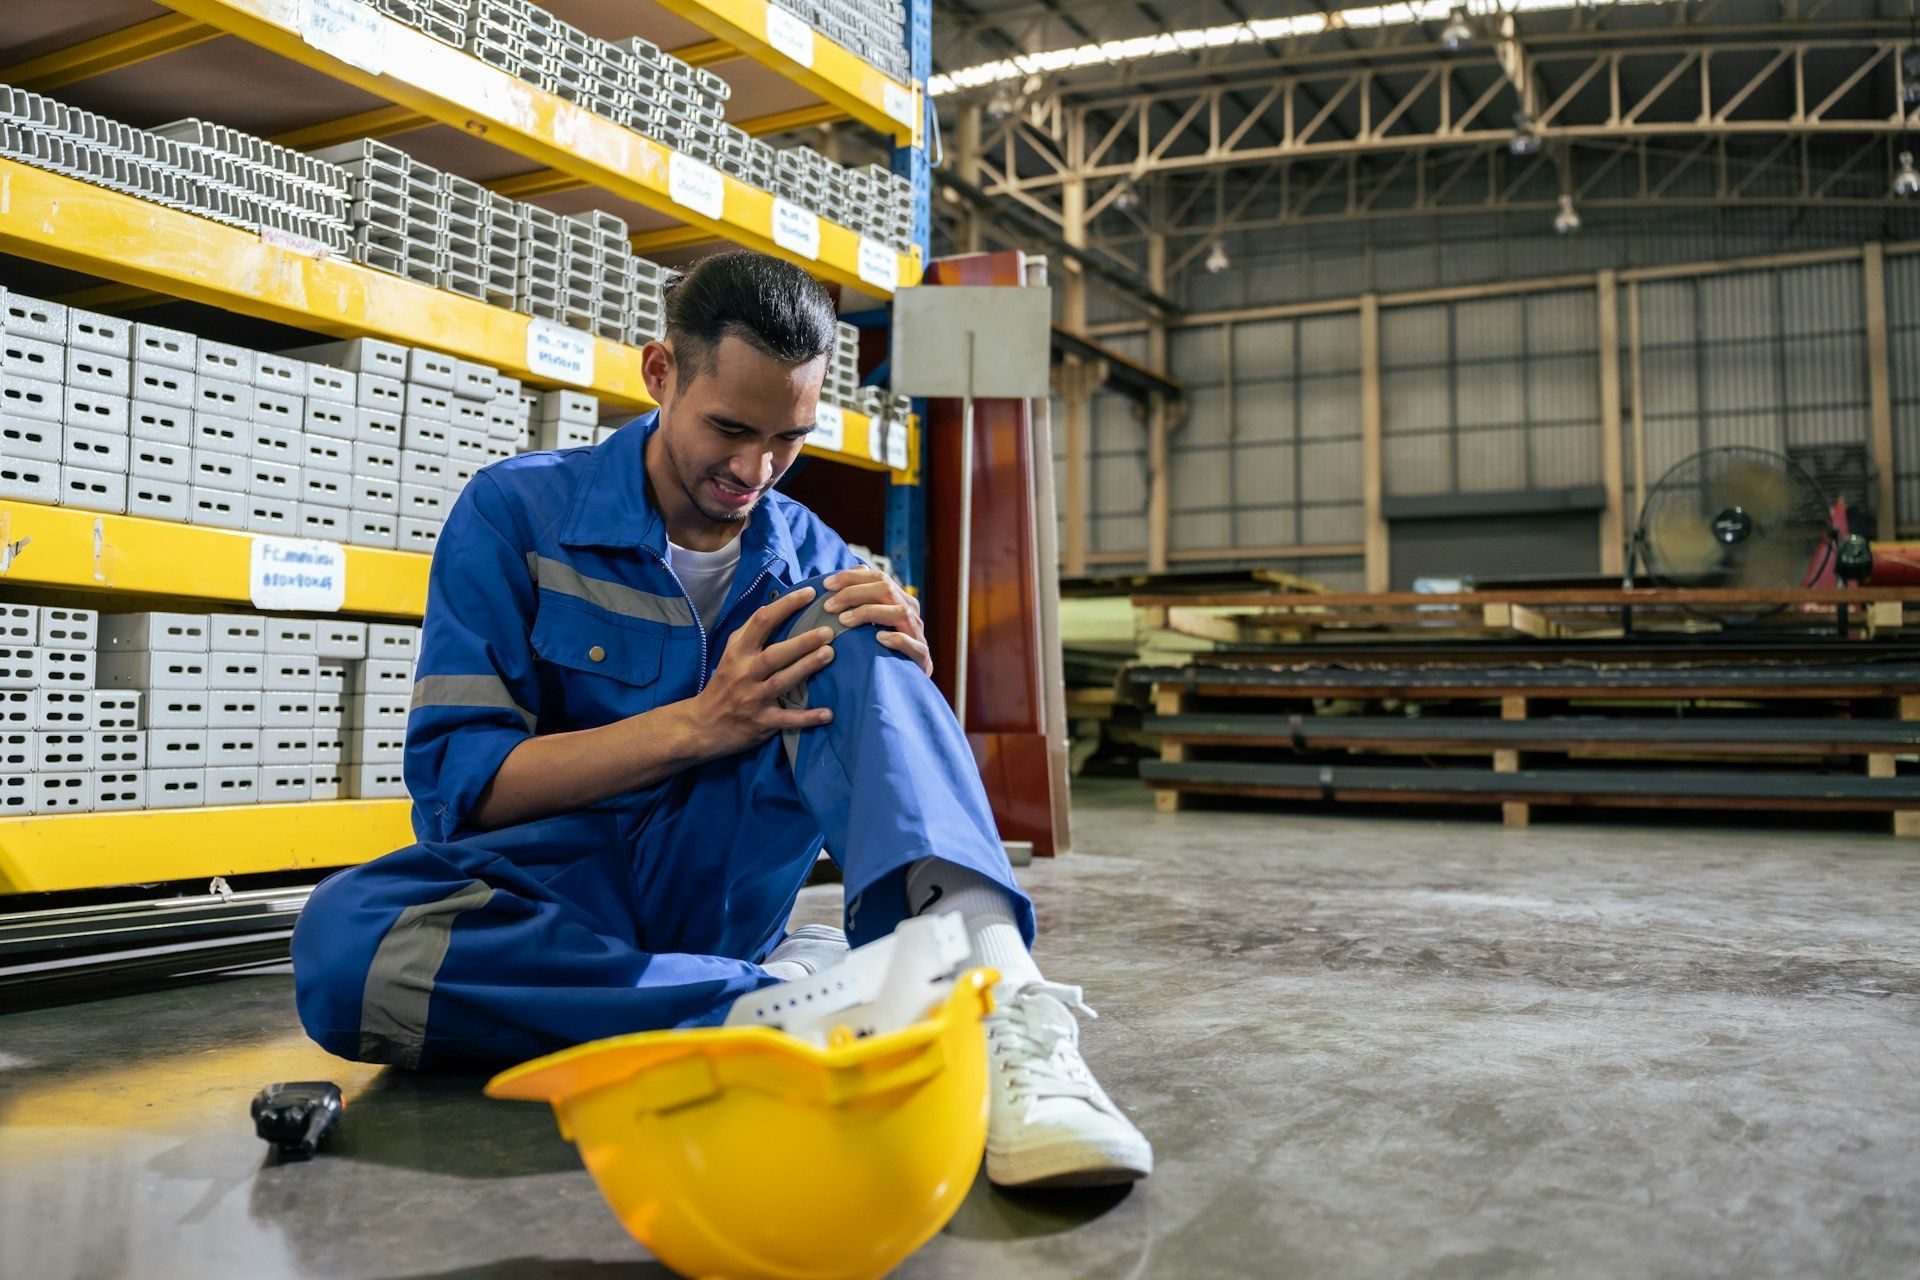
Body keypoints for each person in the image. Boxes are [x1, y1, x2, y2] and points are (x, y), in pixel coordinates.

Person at [291, 249, 1151, 1189]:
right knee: (342, 946)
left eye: (790, 438)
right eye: (730, 429)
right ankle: (795, 1007)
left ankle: (999, 1004)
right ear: (660, 373)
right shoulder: (516, 513)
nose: (756, 470)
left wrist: (897, 700)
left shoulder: (813, 555)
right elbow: (466, 794)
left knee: (856, 623)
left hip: (722, 889)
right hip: (545, 901)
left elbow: (865, 730)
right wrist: (700, 725)